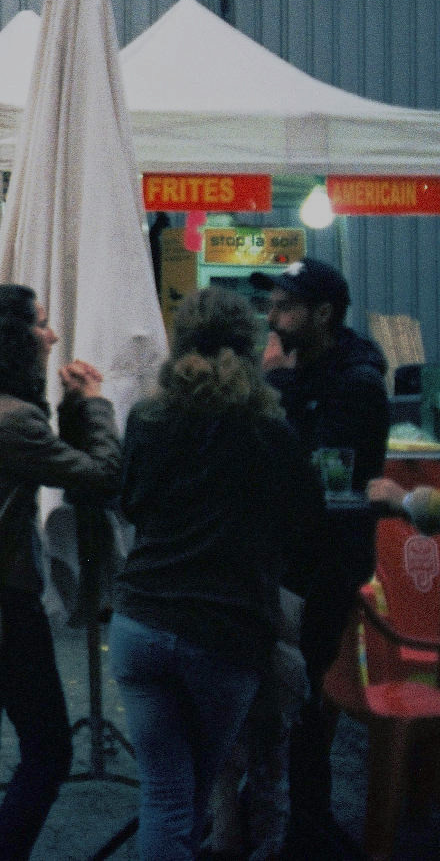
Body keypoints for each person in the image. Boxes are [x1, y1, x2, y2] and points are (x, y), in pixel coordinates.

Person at [108, 288, 322, 861]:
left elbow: (128, 503)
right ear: (251, 347)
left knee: (164, 797)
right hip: (223, 634)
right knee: (190, 797)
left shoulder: (148, 418)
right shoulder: (267, 430)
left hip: (140, 625)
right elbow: (304, 519)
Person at [0, 283, 121, 861]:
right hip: (4, 602)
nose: (52, 334)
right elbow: (99, 475)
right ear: (14, 340)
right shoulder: (12, 418)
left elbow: (58, 462)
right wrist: (93, 402)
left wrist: (65, 409)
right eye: (40, 324)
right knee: (48, 751)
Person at [247, 259, 390, 859]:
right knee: (289, 696)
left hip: (324, 567)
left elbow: (321, 484)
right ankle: (294, 820)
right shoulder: (297, 378)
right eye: (272, 304)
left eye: (285, 305)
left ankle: (308, 826)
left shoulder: (354, 385)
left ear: (323, 313)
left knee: (304, 698)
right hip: (290, 565)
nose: (272, 316)